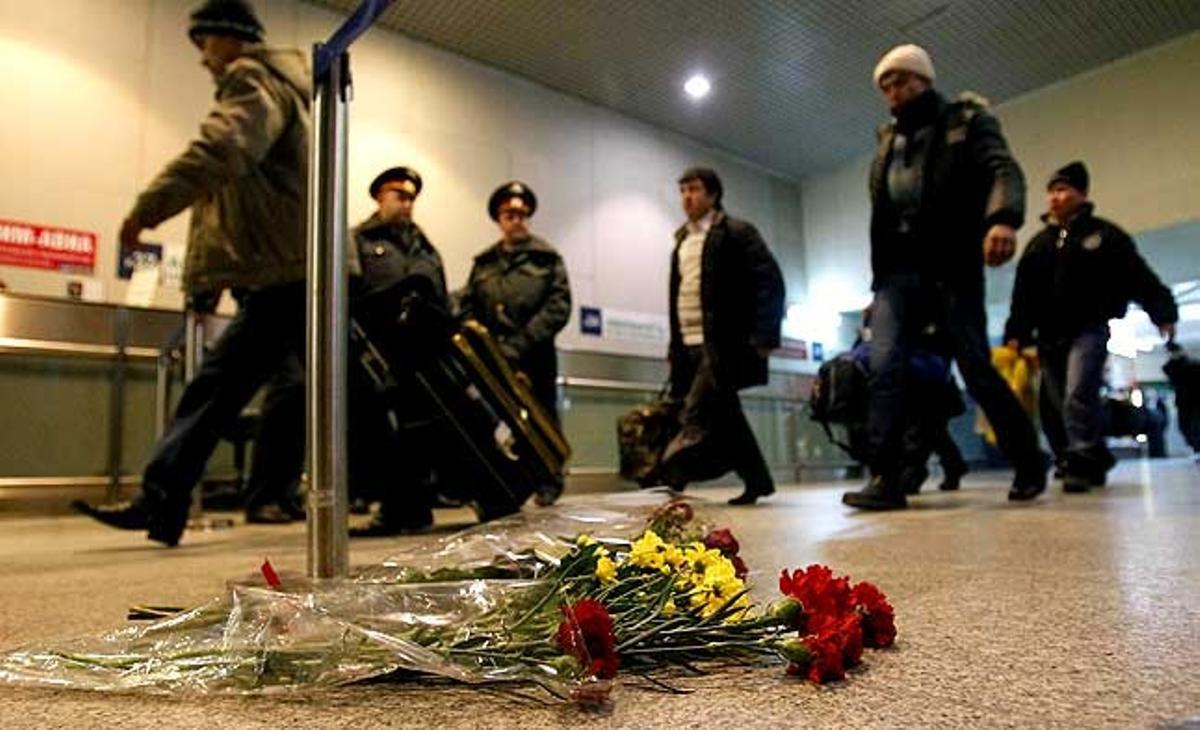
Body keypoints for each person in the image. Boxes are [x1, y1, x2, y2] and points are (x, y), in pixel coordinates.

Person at [73, 0, 312, 545]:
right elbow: (230, 206)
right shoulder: (278, 89)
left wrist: (145, 210)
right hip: (289, 272)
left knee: (218, 386)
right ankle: (168, 502)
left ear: (233, 38)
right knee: (268, 388)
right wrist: (207, 280)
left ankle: (162, 498)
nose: (203, 60)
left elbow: (219, 153)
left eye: (203, 43)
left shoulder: (252, 79)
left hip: (286, 277)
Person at [843, 44, 1048, 511]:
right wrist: (877, 288)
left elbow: (1003, 168)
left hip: (951, 265)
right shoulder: (886, 142)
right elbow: (884, 213)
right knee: (886, 367)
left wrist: (1002, 218)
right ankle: (887, 477)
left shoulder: (965, 122)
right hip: (897, 274)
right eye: (885, 85)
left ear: (925, 80)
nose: (893, 92)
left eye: (901, 81)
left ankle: (1030, 462)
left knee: (975, 366)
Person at [1004, 162, 1177, 491]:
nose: (1054, 198)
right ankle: (1083, 455)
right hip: (1049, 336)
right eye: (1051, 191)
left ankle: (1083, 456)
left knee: (1078, 392)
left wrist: (1162, 310)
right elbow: (1023, 295)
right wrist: (1017, 332)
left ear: (1082, 194)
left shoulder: (1105, 236)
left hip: (1089, 328)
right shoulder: (1039, 245)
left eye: (1063, 190)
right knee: (1056, 402)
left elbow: (1137, 274)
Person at [658, 167, 785, 506]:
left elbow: (769, 281)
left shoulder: (736, 232)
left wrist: (764, 336)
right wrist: (674, 345)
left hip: (723, 345)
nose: (687, 196)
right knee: (728, 415)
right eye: (683, 190)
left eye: (695, 189)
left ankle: (669, 482)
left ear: (713, 195)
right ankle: (758, 481)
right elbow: (677, 297)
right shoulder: (681, 242)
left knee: (693, 415)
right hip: (688, 344)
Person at [348, 166, 451, 537]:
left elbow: (440, 298)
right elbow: (349, 298)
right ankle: (388, 510)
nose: (406, 203)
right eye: (398, 195)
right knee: (379, 434)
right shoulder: (358, 240)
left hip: (421, 355)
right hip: (376, 353)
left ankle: (417, 508)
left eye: (411, 197)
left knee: (419, 433)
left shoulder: (424, 246)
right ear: (379, 196)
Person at [459, 181, 571, 506]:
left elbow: (558, 306)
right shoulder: (483, 263)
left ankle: (549, 479)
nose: (516, 220)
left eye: (522, 214)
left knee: (541, 420)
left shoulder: (547, 259)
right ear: (499, 219)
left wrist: (522, 341)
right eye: (509, 214)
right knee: (493, 418)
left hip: (535, 355)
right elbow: (467, 305)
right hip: (492, 357)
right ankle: (505, 483)